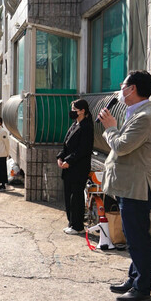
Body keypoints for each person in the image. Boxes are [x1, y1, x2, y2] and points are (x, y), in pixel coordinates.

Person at [98, 70, 151, 301]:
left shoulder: (146, 117)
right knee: (133, 237)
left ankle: (142, 288)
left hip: (138, 188)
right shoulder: (135, 112)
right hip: (129, 187)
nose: (120, 89)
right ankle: (134, 279)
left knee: (138, 239)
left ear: (132, 88)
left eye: (123, 85)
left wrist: (110, 127)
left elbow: (122, 146)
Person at [56, 99, 94, 235]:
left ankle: (78, 226)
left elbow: (83, 149)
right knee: (68, 195)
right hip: (69, 167)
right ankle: (71, 223)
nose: (72, 112)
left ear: (82, 111)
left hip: (78, 168)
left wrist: (69, 161)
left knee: (76, 196)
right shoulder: (74, 125)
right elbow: (66, 145)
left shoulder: (86, 126)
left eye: (74, 109)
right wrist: (60, 157)